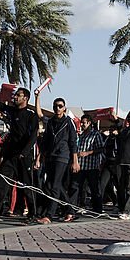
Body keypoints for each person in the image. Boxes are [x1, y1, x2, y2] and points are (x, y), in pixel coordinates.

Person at [0, 82, 38, 227]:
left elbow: (33, 137)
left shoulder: (31, 116)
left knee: (26, 186)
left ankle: (32, 214)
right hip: (10, 156)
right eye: (16, 95)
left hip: (24, 157)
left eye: (19, 95)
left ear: (26, 98)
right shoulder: (12, 111)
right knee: (1, 184)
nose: (15, 97)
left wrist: (24, 153)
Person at [34, 95, 79, 223]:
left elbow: (73, 142)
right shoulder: (51, 122)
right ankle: (70, 210)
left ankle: (49, 216)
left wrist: (75, 161)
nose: (57, 108)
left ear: (64, 108)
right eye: (55, 106)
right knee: (50, 185)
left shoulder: (69, 122)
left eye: (60, 106)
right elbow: (40, 115)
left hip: (63, 156)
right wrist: (37, 97)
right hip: (50, 156)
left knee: (54, 185)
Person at [75, 113, 104, 215]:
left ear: (89, 123)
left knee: (94, 188)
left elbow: (101, 148)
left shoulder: (95, 134)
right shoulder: (81, 136)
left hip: (92, 166)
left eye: (84, 123)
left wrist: (88, 152)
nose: (82, 125)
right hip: (81, 166)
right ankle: (81, 205)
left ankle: (98, 209)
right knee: (80, 188)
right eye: (81, 123)